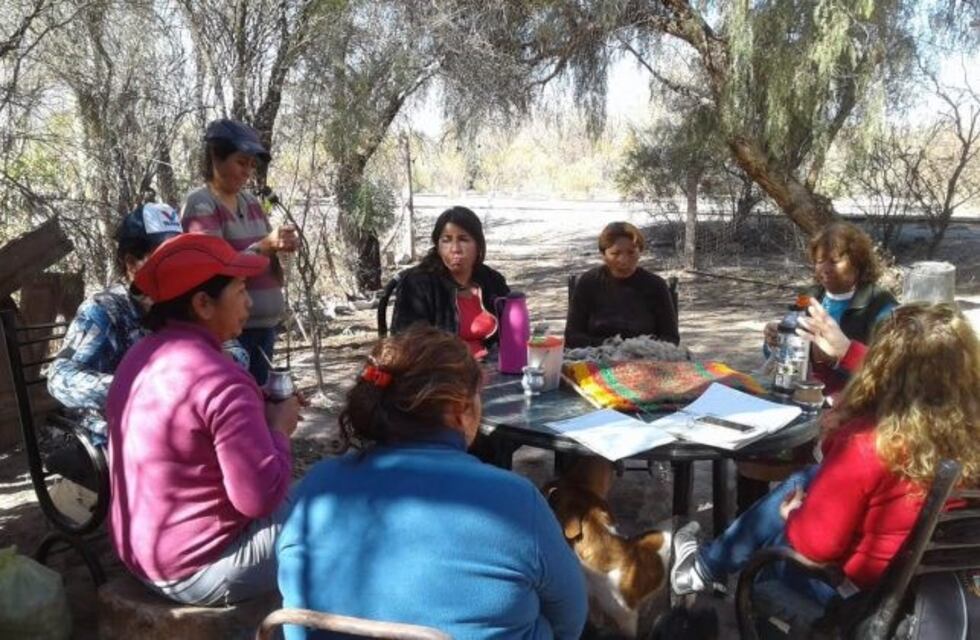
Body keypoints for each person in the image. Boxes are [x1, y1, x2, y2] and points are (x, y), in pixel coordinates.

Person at [277, 326, 587, 640]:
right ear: (459, 410)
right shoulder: (516, 502)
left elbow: (296, 619)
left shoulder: (316, 487)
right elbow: (569, 621)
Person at [673, 304, 980, 607]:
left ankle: (709, 570)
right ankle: (705, 565)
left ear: (882, 366)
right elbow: (916, 373)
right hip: (936, 593)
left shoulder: (869, 444)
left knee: (776, 538)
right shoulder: (967, 433)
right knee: (808, 477)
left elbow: (815, 547)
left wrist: (791, 515)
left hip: (858, 597)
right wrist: (846, 351)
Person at [105, 233, 300, 606]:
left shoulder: (139, 357)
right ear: (203, 304)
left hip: (137, 553)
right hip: (196, 570)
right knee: (332, 507)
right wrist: (279, 429)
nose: (249, 301)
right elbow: (258, 498)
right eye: (241, 289)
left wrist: (258, 409)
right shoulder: (221, 378)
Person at [48, 202, 182, 445]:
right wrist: (140, 388)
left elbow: (231, 348)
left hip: (178, 419)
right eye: (164, 258)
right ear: (131, 263)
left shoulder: (183, 301)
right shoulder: (103, 310)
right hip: (120, 432)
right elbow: (60, 378)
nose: (175, 267)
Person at [181, 118, 298, 385]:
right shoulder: (201, 203)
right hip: (232, 332)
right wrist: (267, 244)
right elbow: (213, 269)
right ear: (215, 156)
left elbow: (266, 253)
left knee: (259, 399)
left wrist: (282, 246)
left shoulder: (251, 202)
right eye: (241, 162)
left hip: (264, 327)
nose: (247, 172)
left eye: (251, 165)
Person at [764, 221, 897, 394]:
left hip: (855, 400)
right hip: (809, 396)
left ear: (858, 263)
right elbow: (790, 364)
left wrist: (840, 356)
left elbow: (890, 372)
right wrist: (777, 343)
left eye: (834, 261)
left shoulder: (882, 305)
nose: (825, 269)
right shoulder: (809, 298)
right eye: (820, 261)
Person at [390, 206, 510, 359]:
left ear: (478, 245)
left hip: (494, 369)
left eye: (463, 239)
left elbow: (513, 331)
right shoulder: (417, 283)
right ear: (437, 246)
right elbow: (405, 344)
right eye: (446, 240)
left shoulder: (492, 281)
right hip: (439, 375)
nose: (455, 249)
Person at [564, 221, 679, 349]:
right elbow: (572, 336)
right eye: (615, 254)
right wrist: (612, 347)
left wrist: (637, 350)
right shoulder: (589, 282)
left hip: (645, 358)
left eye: (631, 253)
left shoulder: (656, 285)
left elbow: (671, 338)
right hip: (596, 358)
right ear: (603, 255)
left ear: (640, 252)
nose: (624, 261)